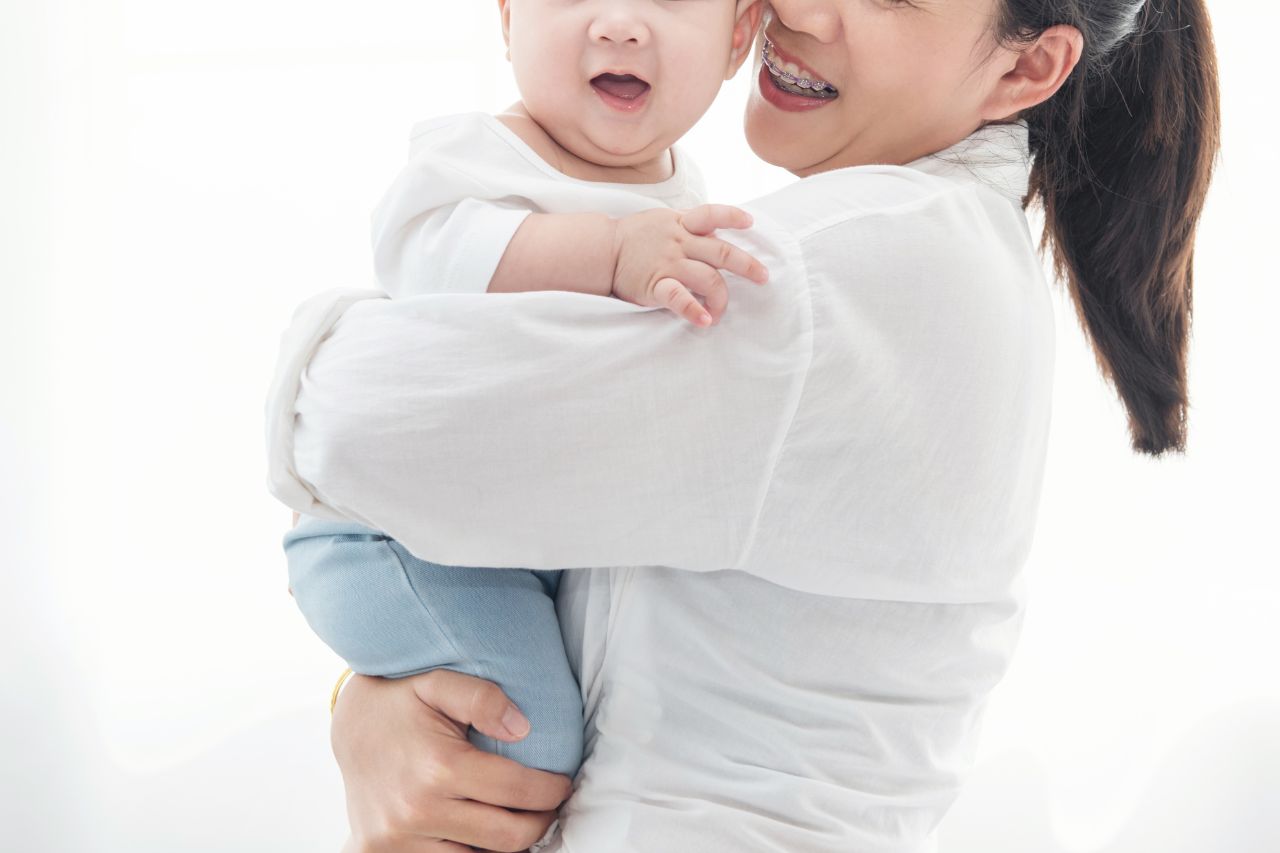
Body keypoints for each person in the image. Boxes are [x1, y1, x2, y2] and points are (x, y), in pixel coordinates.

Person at [265, 0, 1221, 850]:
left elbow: (351, 421)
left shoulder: (820, 276)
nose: (794, 8)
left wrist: (319, 341)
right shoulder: (926, 250)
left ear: (1026, 68)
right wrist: (377, 702)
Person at [280, 0, 767, 780]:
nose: (620, 24)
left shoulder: (686, 198)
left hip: (524, 538)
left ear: (737, 38)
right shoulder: (479, 154)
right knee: (532, 734)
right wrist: (611, 252)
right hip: (394, 535)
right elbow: (424, 256)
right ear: (508, 18)